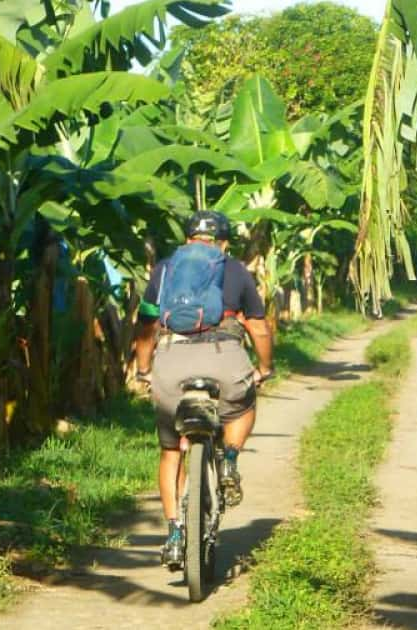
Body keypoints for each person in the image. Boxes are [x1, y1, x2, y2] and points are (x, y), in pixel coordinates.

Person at [133, 210, 275, 568]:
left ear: (187, 239)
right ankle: (228, 459)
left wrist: (144, 369)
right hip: (223, 360)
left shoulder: (164, 270)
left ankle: (176, 533)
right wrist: (264, 368)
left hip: (171, 364)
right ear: (223, 242)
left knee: (170, 451)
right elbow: (258, 328)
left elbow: (147, 325)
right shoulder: (236, 270)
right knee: (243, 404)